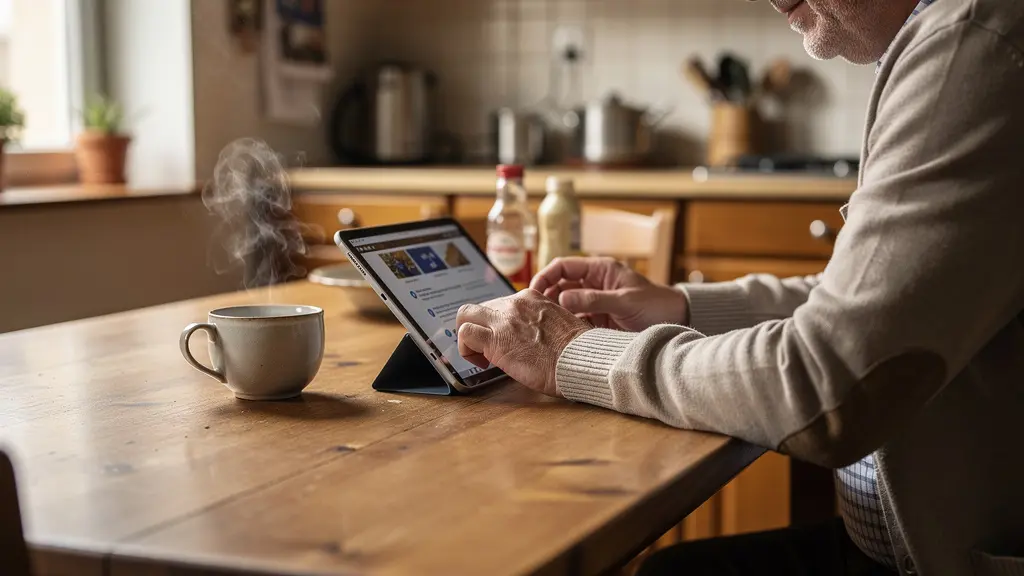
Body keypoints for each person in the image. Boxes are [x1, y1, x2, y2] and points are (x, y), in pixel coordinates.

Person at [455, 0, 1024, 573]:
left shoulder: (971, 39)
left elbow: (824, 382)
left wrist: (574, 354)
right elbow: (875, 307)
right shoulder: (950, 37)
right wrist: (684, 307)